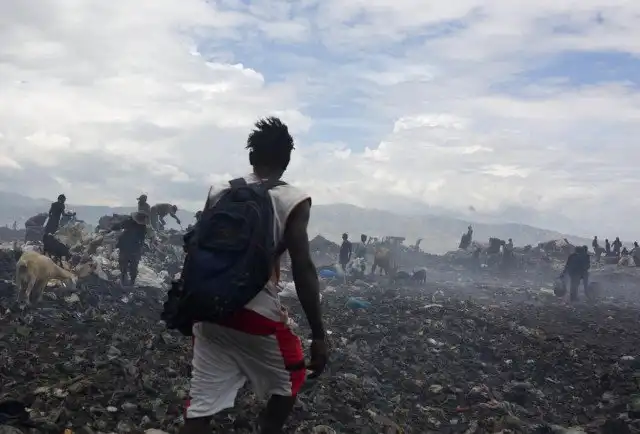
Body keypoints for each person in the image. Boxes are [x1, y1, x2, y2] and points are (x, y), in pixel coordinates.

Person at [180, 117, 327, 434]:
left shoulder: (219, 191)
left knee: (200, 406)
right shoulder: (293, 200)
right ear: (287, 162)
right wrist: (319, 334)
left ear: (251, 156)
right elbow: (302, 267)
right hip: (256, 315)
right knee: (293, 375)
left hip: (208, 310)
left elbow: (198, 247)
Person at [108, 211, 154, 287]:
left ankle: (129, 281)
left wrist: (110, 228)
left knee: (129, 265)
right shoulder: (134, 223)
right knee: (128, 264)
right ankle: (127, 280)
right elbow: (119, 225)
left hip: (130, 247)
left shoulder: (139, 225)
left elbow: (119, 226)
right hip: (130, 247)